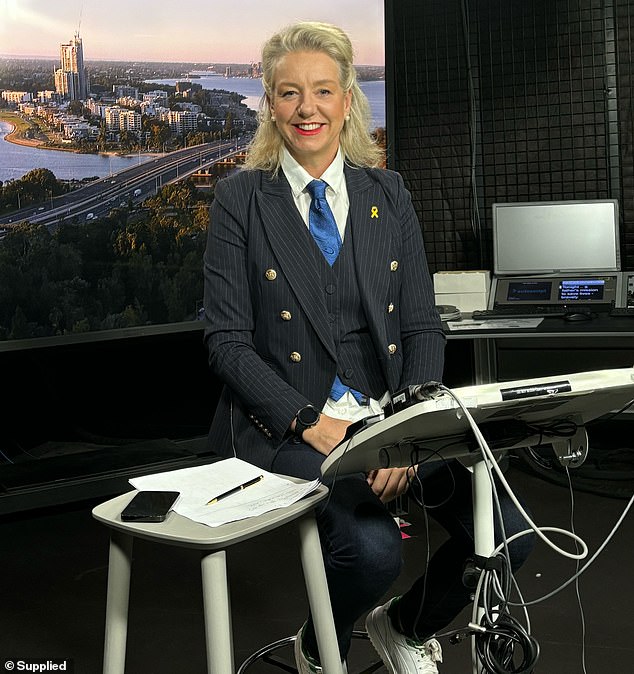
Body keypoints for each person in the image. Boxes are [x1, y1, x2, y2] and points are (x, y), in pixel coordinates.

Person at [203, 21, 533, 674]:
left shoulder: (390, 194)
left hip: (388, 415)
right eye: (290, 92)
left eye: (323, 91)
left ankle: (405, 627)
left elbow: (420, 328)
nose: (307, 108)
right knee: (375, 551)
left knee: (511, 536)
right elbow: (226, 341)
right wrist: (308, 421)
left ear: (347, 99)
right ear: (271, 102)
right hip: (289, 420)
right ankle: (321, 644)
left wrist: (406, 431)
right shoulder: (240, 199)